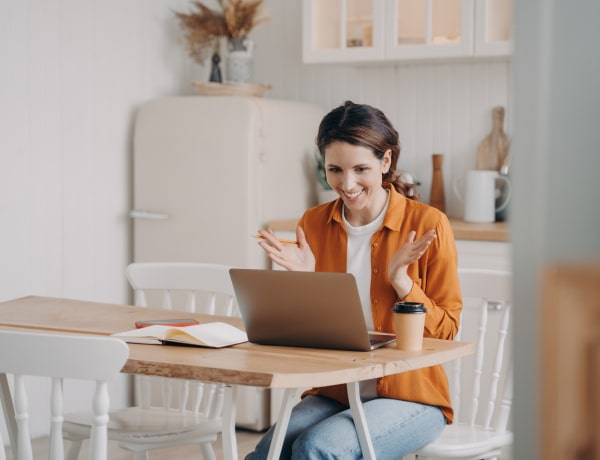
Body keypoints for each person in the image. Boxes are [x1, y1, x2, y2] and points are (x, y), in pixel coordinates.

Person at [248, 101, 462, 460]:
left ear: (386, 162)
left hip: (412, 398)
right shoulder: (314, 223)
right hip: (335, 390)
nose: (346, 184)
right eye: (335, 170)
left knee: (315, 448)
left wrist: (401, 281)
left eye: (361, 168)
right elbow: (311, 335)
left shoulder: (428, 225)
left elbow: (446, 333)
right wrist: (304, 282)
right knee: (270, 450)